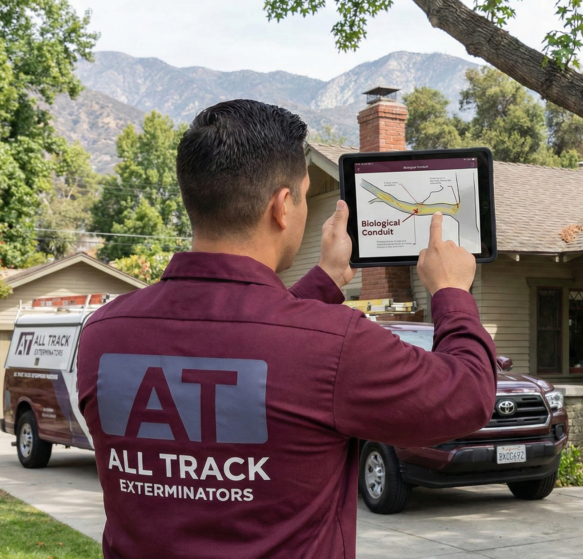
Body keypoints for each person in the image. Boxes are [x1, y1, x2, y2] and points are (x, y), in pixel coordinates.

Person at [77, 99, 497, 558]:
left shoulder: (102, 334)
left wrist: (325, 281)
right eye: (301, 195)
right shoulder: (335, 345)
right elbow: (468, 396)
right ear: (282, 206)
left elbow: (249, 344)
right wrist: (451, 291)